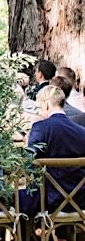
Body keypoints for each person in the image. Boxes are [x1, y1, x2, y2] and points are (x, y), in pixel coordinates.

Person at [23, 85, 85, 216]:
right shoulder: (82, 132)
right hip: (80, 199)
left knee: (15, 198)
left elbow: (29, 163)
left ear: (46, 105)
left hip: (49, 200)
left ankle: (34, 235)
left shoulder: (41, 128)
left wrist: (26, 146)